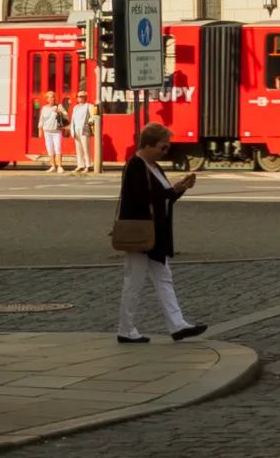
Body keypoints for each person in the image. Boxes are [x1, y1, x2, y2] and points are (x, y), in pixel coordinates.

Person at [115, 124, 206, 345]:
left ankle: (177, 325)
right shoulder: (136, 165)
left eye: (167, 147)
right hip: (141, 234)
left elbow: (163, 198)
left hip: (154, 234)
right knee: (135, 281)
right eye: (162, 147)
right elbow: (139, 197)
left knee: (163, 277)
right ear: (147, 145)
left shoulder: (154, 167)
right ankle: (126, 329)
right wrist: (170, 191)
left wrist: (180, 189)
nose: (165, 151)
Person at [69, 95, 97, 175]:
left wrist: (89, 121)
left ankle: (88, 165)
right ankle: (80, 165)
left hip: (84, 129)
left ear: (85, 97)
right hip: (76, 129)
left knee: (86, 148)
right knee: (78, 149)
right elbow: (73, 119)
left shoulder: (89, 106)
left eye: (81, 96)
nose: (79, 98)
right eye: (78, 96)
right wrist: (72, 129)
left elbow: (94, 116)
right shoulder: (75, 107)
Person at [39, 96, 66, 172]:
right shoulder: (44, 108)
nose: (53, 99)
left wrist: (59, 111)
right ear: (47, 99)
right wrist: (40, 129)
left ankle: (60, 166)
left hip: (56, 130)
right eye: (51, 98)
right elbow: (42, 119)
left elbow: (66, 114)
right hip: (47, 131)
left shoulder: (58, 106)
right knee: (49, 149)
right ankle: (53, 166)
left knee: (58, 148)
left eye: (54, 97)